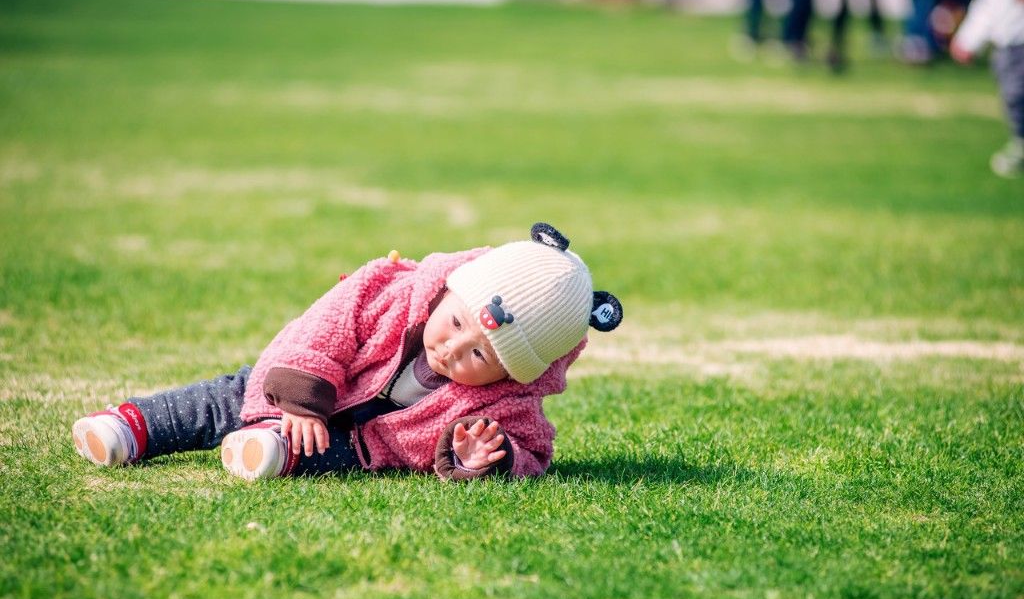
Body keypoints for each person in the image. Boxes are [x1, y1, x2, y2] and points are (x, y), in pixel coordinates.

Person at [71, 223, 623, 481]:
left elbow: (533, 451)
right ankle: (131, 426)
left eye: (480, 356)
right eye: (453, 323)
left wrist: (486, 458)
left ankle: (267, 451)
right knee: (219, 401)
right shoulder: (389, 293)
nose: (452, 349)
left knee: (324, 454)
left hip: (359, 443)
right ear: (449, 289)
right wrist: (300, 396)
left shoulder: (510, 403)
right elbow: (325, 325)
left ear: (513, 375)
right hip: (310, 383)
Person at [951, 0, 1024, 177]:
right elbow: (985, 5)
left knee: (1018, 94)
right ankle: (1020, 142)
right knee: (1012, 98)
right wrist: (967, 40)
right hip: (1005, 45)